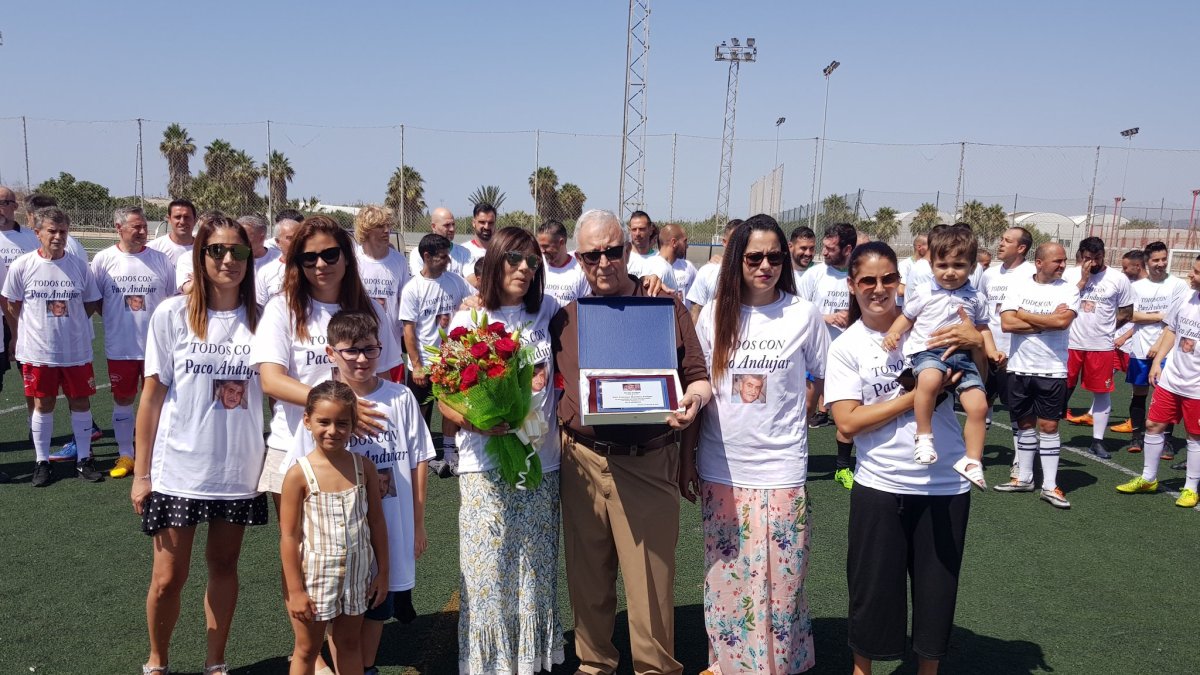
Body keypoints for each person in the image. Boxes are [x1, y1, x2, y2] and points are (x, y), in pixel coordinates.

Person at [551, 209, 711, 675]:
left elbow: (697, 379)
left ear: (628, 250)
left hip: (648, 460)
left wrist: (692, 405)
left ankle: (655, 669)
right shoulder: (563, 318)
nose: (604, 262)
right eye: (592, 254)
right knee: (587, 582)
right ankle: (594, 665)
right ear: (578, 260)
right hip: (579, 461)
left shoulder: (664, 307)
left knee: (650, 587)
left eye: (612, 251)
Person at [825, 241, 977, 675]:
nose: (879, 289)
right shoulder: (847, 346)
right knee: (873, 591)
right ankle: (863, 670)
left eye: (888, 278)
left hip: (945, 483)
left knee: (937, 590)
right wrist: (914, 397)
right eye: (867, 281)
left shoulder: (930, 323)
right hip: (880, 484)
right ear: (852, 286)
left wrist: (977, 345)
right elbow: (848, 423)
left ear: (900, 281)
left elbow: (978, 384)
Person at [688, 214, 828, 674]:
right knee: (726, 576)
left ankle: (777, 665)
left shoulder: (802, 314)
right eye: (754, 257)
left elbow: (823, 376)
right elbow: (701, 383)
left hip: (782, 468)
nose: (764, 265)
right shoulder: (712, 314)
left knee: (783, 579)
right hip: (721, 468)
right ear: (737, 261)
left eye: (774, 256)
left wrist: (801, 414)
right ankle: (727, 665)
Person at [130, 211, 266, 675]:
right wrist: (141, 474)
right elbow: (150, 400)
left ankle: (215, 661)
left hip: (238, 470)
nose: (229, 259)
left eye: (239, 250)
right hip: (180, 470)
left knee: (224, 565)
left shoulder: (263, 320)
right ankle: (157, 660)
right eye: (218, 250)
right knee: (168, 578)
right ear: (200, 255)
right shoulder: (172, 315)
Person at [439, 227, 566, 673]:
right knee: (488, 573)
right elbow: (446, 395)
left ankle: (530, 663)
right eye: (514, 259)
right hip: (483, 464)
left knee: (533, 571)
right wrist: (477, 421)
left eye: (533, 262)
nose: (524, 269)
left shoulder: (549, 311)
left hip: (542, 463)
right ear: (494, 261)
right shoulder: (466, 321)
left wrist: (653, 286)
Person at [284, 311, 433, 674]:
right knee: (333, 621)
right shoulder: (323, 403)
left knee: (379, 602)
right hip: (331, 544)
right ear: (331, 352)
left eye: (370, 349)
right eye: (351, 351)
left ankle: (362, 666)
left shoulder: (399, 397)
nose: (362, 358)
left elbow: (419, 460)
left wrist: (418, 522)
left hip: (390, 525)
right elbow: (299, 478)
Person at [252, 214, 402, 525]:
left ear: (347, 257)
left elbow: (384, 377)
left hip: (362, 444)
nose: (320, 264)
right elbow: (271, 380)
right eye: (309, 258)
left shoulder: (371, 308)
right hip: (293, 443)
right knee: (301, 553)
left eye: (330, 254)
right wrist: (342, 408)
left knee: (362, 545)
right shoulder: (283, 309)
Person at [280, 382, 389, 675]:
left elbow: (376, 522)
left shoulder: (363, 467)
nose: (333, 430)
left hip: (358, 574)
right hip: (315, 578)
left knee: (349, 643)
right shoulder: (297, 475)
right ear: (307, 421)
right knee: (307, 649)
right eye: (323, 422)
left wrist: (383, 572)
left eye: (342, 423)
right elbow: (289, 537)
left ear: (354, 424)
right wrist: (295, 591)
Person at [882, 225, 996, 489]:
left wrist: (991, 350)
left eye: (959, 265)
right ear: (932, 264)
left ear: (972, 266)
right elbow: (906, 317)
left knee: (979, 406)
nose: (950, 272)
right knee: (930, 381)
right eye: (942, 265)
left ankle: (972, 460)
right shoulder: (923, 291)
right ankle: (923, 437)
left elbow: (982, 328)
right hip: (929, 352)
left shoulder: (976, 297)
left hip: (963, 357)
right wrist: (894, 333)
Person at [2, 207, 103, 487]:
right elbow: (11, 303)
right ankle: (42, 461)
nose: (58, 237)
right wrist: (18, 334)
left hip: (76, 351)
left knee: (80, 402)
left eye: (62, 232)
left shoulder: (80, 266)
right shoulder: (23, 266)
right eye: (52, 231)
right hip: (38, 351)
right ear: (38, 233)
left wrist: (73, 326)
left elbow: (91, 302)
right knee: (42, 404)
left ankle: (84, 459)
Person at [87, 206, 174, 478]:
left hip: (158, 348)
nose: (142, 231)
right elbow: (97, 300)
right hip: (121, 346)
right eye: (135, 226)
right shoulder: (103, 260)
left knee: (160, 399)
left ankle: (160, 454)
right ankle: (126, 454)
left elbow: (172, 301)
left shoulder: (161, 260)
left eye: (143, 226)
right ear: (118, 228)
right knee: (123, 398)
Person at [994, 243, 1079, 509]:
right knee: (1024, 424)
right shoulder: (1019, 287)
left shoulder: (1068, 289)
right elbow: (1007, 324)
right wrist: (1047, 319)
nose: (1063, 265)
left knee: (1050, 426)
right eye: (1058, 261)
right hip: (1019, 367)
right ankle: (1024, 478)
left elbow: (1062, 323)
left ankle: (1050, 485)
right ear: (1039, 263)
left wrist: (1025, 315)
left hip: (1052, 369)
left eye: (1064, 261)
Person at [1116, 255, 1200, 506]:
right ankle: (1148, 479)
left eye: (1196, 272)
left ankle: (1190, 487)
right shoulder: (1185, 297)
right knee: (1153, 425)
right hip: (1172, 378)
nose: (1191, 276)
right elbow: (1171, 330)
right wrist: (1157, 362)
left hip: (1196, 386)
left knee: (1195, 436)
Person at [399, 233, 472, 476]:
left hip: (451, 363)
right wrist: (417, 365)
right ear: (426, 257)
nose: (447, 261)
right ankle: (423, 456)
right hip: (425, 364)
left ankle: (451, 454)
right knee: (421, 411)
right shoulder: (413, 288)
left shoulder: (455, 281)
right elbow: (409, 331)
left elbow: (470, 301)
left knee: (451, 407)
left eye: (447, 255)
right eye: (442, 257)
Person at [1110, 243, 1187, 453]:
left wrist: (1158, 342)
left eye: (1163, 259)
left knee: (1167, 394)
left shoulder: (1178, 285)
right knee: (1139, 394)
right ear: (1147, 262)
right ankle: (1136, 438)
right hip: (1139, 349)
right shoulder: (1136, 288)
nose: (1161, 264)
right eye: (1156, 260)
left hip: (1166, 350)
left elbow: (1176, 320)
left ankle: (1167, 441)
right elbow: (1130, 315)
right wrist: (1159, 316)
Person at [796, 222, 856, 487]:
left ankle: (843, 467)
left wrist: (853, 318)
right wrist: (828, 317)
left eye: (831, 249)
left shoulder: (857, 274)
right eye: (825, 247)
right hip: (815, 356)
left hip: (849, 359)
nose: (824, 252)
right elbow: (796, 312)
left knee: (848, 416)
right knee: (804, 413)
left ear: (848, 249)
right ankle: (797, 462)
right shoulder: (814, 275)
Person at [1062, 237, 1134, 459]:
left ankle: (1097, 441)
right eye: (1087, 259)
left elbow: (1127, 311)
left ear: (1104, 256)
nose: (1092, 263)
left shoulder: (1118, 279)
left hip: (1101, 346)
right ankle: (1047, 435)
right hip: (1069, 343)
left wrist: (1108, 329)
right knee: (1058, 389)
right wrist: (1082, 281)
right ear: (1080, 256)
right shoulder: (1069, 276)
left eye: (1097, 258)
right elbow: (1060, 302)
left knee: (1102, 392)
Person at [978, 227, 1036, 473]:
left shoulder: (1032, 274)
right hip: (986, 351)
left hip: (1016, 354)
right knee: (981, 402)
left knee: (1017, 409)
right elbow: (982, 311)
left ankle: (1020, 463)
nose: (1000, 244)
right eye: (1001, 238)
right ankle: (975, 456)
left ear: (1021, 248)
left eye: (1007, 240)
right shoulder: (989, 274)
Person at [353, 206, 411, 382]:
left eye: (388, 225)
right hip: (359, 347)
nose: (387, 230)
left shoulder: (399, 261)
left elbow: (405, 301)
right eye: (380, 226)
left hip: (391, 346)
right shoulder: (353, 260)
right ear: (366, 230)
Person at [686, 219, 742, 322]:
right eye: (735, 240)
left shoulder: (752, 274)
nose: (739, 245)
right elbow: (695, 310)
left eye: (743, 241)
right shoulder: (707, 271)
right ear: (724, 242)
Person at [407, 207, 472, 277]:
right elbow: (420, 282)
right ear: (434, 227)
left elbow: (470, 281)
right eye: (447, 225)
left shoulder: (464, 253)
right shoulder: (418, 253)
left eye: (453, 224)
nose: (452, 229)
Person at [538, 219, 590, 305]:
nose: (542, 251)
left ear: (561, 242)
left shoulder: (581, 271)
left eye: (546, 246)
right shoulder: (538, 266)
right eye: (540, 246)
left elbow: (584, 307)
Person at [255, 217, 301, 308]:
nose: (297, 241)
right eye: (290, 238)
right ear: (277, 242)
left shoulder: (312, 267)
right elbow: (260, 308)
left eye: (300, 237)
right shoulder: (266, 271)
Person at [148, 199, 198, 268]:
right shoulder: (153, 249)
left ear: (195, 220)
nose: (182, 222)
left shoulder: (204, 249)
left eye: (187, 217)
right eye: (177, 217)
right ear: (169, 219)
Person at [657, 223, 697, 307]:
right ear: (674, 242)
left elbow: (699, 296)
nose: (687, 246)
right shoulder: (652, 267)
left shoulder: (688, 266)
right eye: (684, 241)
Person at [462, 202, 496, 266]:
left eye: (490, 223)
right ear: (474, 223)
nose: (486, 227)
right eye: (482, 222)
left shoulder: (501, 251)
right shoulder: (463, 251)